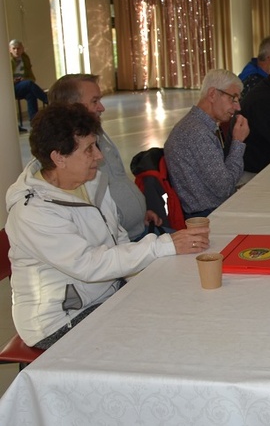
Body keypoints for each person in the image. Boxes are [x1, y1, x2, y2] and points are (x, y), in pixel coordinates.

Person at [5, 103, 209, 349]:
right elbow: (88, 264)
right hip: (61, 320)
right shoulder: (33, 212)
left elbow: (118, 240)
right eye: (89, 149)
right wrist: (162, 246)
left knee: (183, 301)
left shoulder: (91, 182)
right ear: (59, 157)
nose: (99, 156)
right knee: (159, 339)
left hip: (107, 292)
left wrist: (147, 279)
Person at [48, 74, 160, 241]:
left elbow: (118, 179)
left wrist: (138, 213)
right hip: (124, 244)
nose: (101, 108)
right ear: (72, 107)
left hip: (141, 228)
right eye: (94, 101)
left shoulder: (97, 135)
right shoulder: (68, 157)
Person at [165, 69, 250, 218]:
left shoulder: (199, 125)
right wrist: (238, 142)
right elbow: (225, 188)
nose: (238, 107)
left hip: (212, 208)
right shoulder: (196, 133)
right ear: (212, 94)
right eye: (233, 99)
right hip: (209, 216)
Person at [9, 39, 49, 132]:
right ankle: (48, 100)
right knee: (30, 85)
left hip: (24, 84)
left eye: (18, 48)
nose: (16, 51)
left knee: (31, 94)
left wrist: (26, 80)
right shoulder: (7, 61)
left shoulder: (25, 58)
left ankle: (34, 122)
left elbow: (31, 76)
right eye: (14, 49)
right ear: (10, 50)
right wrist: (14, 80)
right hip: (12, 87)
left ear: (22, 49)